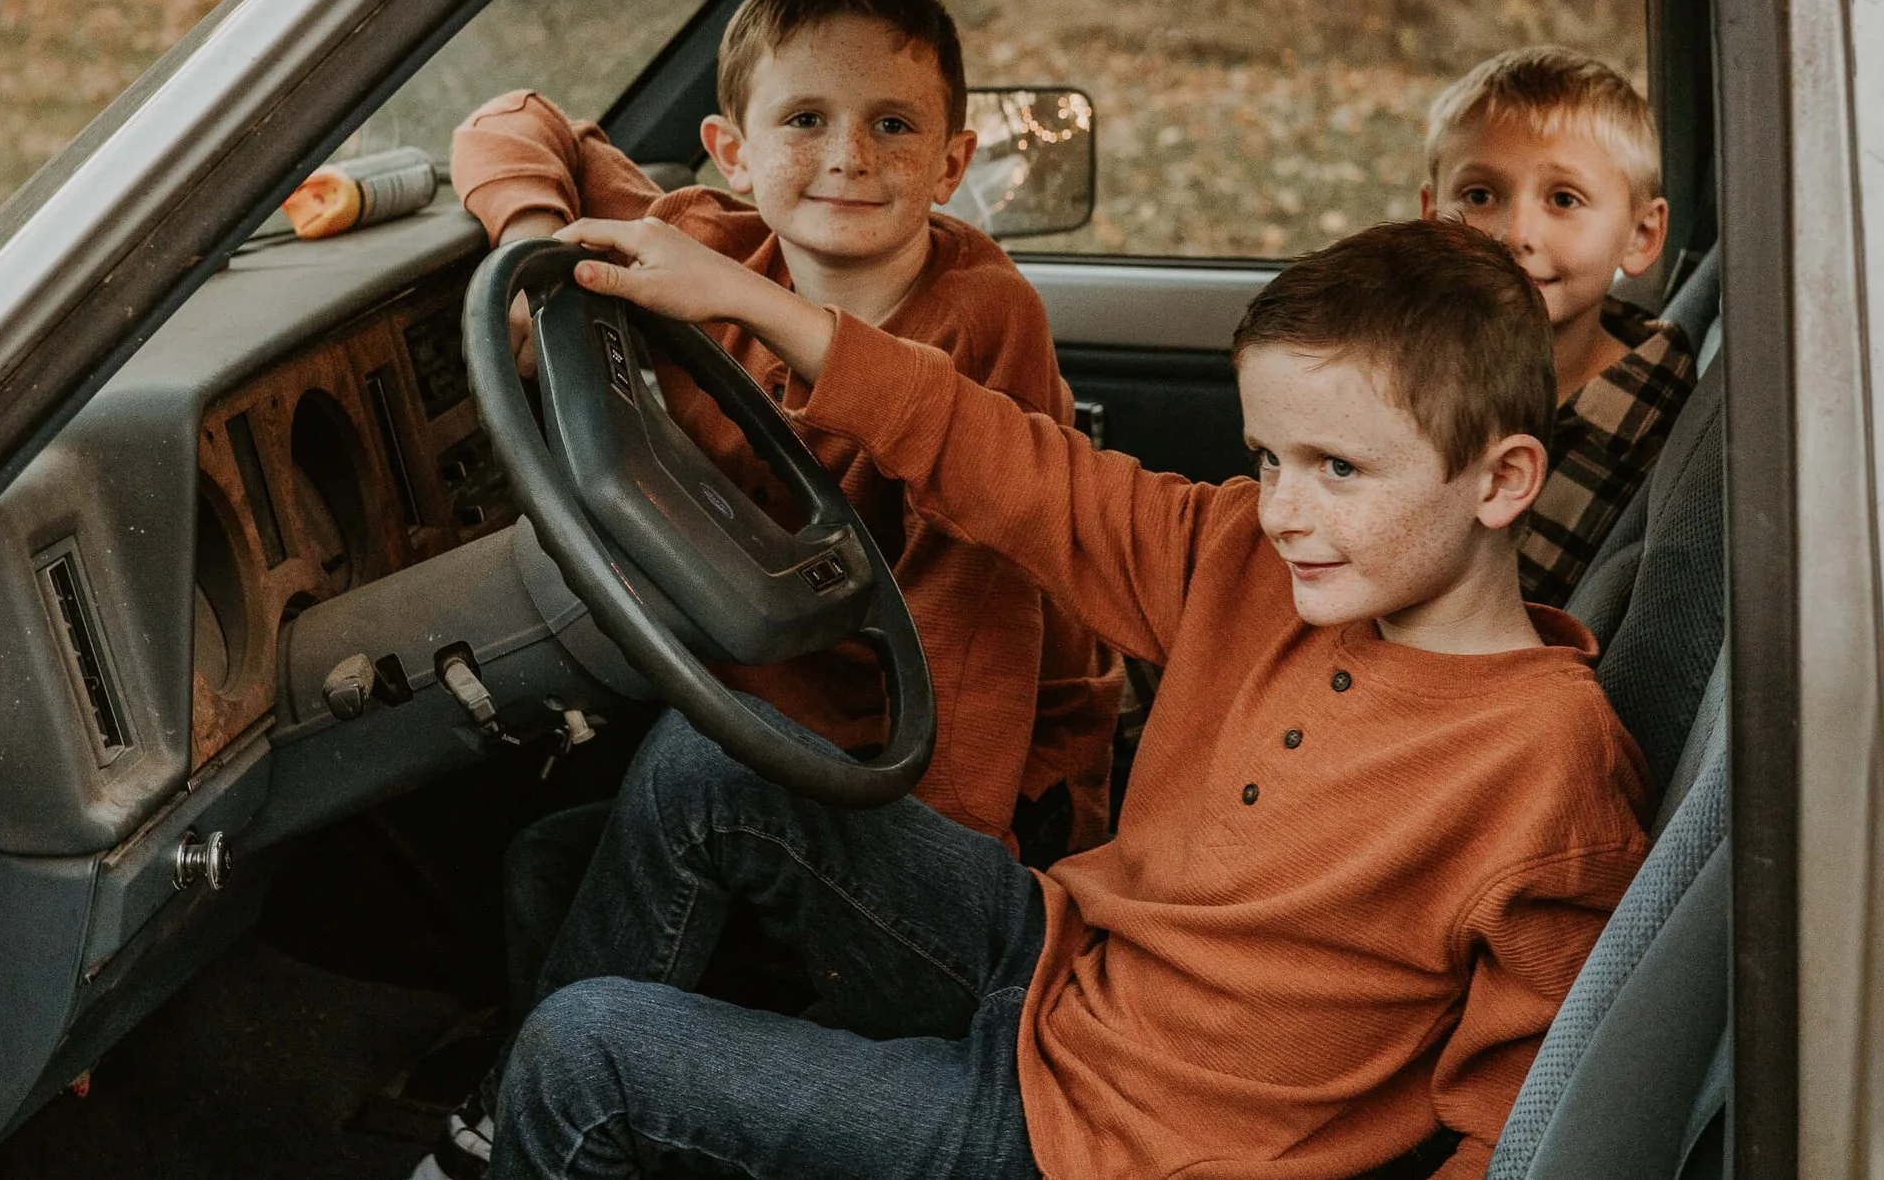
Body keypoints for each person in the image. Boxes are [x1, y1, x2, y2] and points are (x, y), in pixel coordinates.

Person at [485, 214, 1651, 1180]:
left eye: (1336, 468)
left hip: (1113, 1148)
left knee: (583, 1056)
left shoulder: (1544, 761)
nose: (1284, 507)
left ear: (1501, 480)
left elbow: (1526, 1115)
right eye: (1268, 457)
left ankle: (544, 1134)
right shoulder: (1246, 561)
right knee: (712, 767)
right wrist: (752, 303)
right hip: (1061, 964)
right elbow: (1017, 467)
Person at [414, 0, 1120, 1180]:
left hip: (982, 820)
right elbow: (515, 119)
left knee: (694, 767)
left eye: (891, 124)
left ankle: (511, 1133)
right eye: (804, 119)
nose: (847, 154)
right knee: (543, 861)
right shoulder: (705, 245)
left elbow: (980, 644)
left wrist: (887, 876)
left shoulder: (981, 320)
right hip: (803, 752)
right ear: (730, 151)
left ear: (954, 165)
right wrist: (532, 249)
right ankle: (573, 1115)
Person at [1421, 45, 1696, 607]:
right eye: (1479, 196)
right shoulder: (1406, 367)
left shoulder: (1651, 431)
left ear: (1641, 236)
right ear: (1432, 220)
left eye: (1564, 199)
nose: (1516, 232)